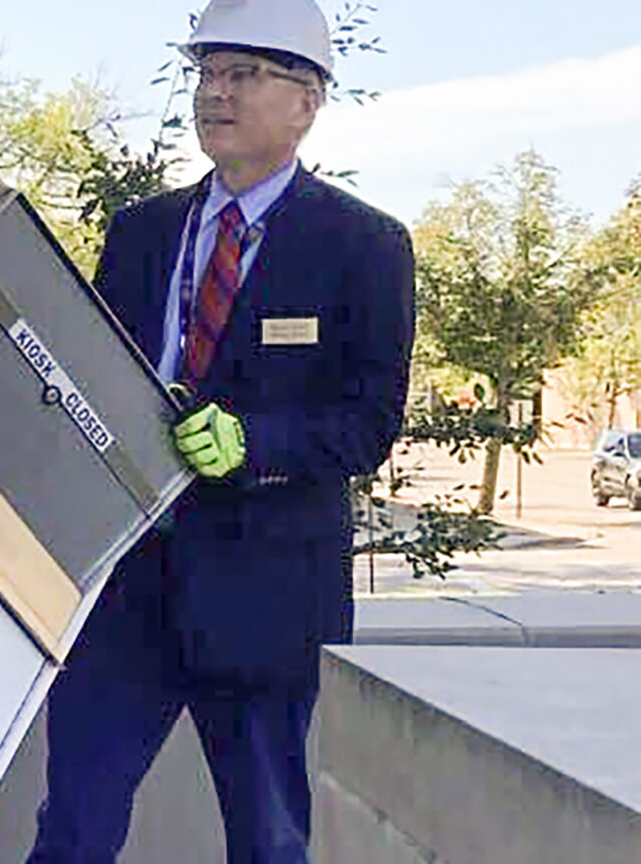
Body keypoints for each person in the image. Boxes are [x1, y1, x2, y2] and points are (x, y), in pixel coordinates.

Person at [27, 0, 415, 861]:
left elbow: (368, 421)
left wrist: (256, 444)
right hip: (126, 592)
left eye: (243, 73)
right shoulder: (140, 233)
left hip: (265, 599)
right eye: (206, 72)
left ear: (307, 101)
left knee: (268, 840)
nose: (215, 93)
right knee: (74, 827)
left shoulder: (363, 246)